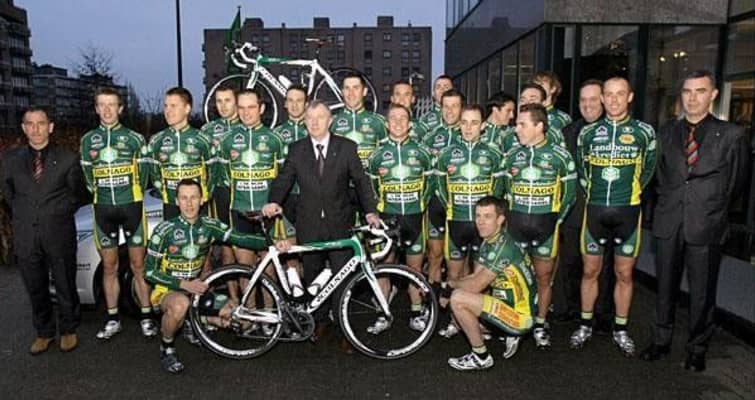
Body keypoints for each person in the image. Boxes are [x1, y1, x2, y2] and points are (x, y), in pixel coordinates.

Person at [641, 70, 749, 372]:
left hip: (707, 224)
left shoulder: (732, 135)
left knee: (701, 292)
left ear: (713, 95)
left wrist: (710, 208)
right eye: (687, 91)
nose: (692, 98)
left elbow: (737, 184)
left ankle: (697, 349)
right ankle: (660, 341)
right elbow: (659, 176)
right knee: (665, 287)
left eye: (700, 91)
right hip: (669, 221)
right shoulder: (666, 133)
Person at [263, 100, 381, 354]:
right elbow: (284, 179)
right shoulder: (297, 149)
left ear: (330, 121)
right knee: (314, 276)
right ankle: (319, 321)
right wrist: (273, 201)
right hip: (309, 224)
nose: (314, 122)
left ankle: (344, 328)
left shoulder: (346, 147)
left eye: (320, 117)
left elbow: (361, 182)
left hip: (340, 223)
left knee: (342, 278)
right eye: (310, 118)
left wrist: (370, 211)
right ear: (305, 122)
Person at [571, 76, 658, 357]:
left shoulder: (644, 132)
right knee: (589, 271)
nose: (614, 99)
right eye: (608, 94)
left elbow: (648, 171)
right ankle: (585, 324)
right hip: (595, 211)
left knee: (624, 273)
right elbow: (582, 171)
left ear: (630, 97)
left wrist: (629, 193)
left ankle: (620, 329)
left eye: (620, 94)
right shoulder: (587, 133)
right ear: (602, 98)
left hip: (628, 212)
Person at [144, 179, 267, 374]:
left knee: (234, 316)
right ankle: (167, 346)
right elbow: (149, 272)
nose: (189, 203)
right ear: (176, 201)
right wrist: (183, 284)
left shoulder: (209, 225)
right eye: (184, 198)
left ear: (202, 200)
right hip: (167, 291)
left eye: (194, 197)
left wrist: (272, 243)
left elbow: (241, 238)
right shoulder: (164, 230)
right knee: (180, 304)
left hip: (196, 290)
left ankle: (194, 320)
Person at [1, 106, 85, 354]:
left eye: (41, 123)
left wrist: (56, 212)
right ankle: (44, 332)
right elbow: (8, 193)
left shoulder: (68, 158)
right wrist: (26, 212)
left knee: (65, 283)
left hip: (59, 231)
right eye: (30, 124)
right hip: (26, 233)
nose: (35, 129)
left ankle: (68, 329)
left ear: (51, 127)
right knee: (35, 287)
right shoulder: (10, 159)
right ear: (23, 128)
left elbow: (77, 194)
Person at [80, 88, 157, 340]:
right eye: (101, 105)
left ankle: (147, 316)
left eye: (111, 104)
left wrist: (130, 193)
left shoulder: (135, 139)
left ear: (120, 108)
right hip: (103, 210)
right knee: (109, 266)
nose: (107, 110)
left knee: (138, 265)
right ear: (96, 108)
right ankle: (112, 318)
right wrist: (102, 194)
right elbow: (88, 179)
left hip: (131, 207)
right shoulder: (88, 140)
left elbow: (145, 175)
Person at [501, 103, 576, 349]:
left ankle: (540, 324)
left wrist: (557, 221)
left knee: (544, 279)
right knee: (514, 279)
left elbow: (569, 195)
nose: (516, 129)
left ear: (539, 126)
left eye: (522, 124)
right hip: (516, 228)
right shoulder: (511, 155)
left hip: (546, 229)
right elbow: (503, 192)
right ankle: (514, 323)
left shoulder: (560, 155)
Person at [435, 104, 505, 337]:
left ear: (483, 126)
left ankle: (482, 322)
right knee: (454, 276)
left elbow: (498, 192)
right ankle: (456, 321)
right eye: (464, 122)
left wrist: (488, 220)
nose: (468, 127)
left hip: (483, 228)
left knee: (482, 279)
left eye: (474, 123)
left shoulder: (494, 154)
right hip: (456, 223)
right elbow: (440, 189)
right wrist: (452, 207)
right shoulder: (446, 154)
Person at [444, 196, 537, 371]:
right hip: (507, 306)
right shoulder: (490, 241)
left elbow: (475, 286)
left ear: (500, 220)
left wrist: (449, 286)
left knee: (457, 299)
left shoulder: (503, 248)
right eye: (478, 216)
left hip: (522, 317)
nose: (480, 222)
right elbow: (475, 277)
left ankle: (481, 357)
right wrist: (448, 286)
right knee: (460, 317)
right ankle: (505, 332)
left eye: (487, 216)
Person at [366, 103, 434, 334]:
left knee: (414, 269)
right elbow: (372, 189)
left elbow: (430, 185)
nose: (397, 123)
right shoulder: (376, 156)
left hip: (414, 219)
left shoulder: (423, 152)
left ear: (410, 124)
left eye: (402, 118)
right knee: (383, 268)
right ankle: (383, 313)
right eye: (393, 118)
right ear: (386, 124)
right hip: (387, 220)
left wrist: (420, 205)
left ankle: (416, 312)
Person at [553, 79, 615, 330]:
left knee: (604, 266)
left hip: (604, 211)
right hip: (573, 210)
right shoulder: (568, 132)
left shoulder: (614, 132)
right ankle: (571, 309)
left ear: (603, 101)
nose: (587, 105)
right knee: (570, 262)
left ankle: (601, 315)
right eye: (583, 100)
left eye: (593, 99)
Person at [146, 87, 215, 219]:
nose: (168, 111)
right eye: (166, 106)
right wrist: (164, 194)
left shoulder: (203, 139)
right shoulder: (156, 140)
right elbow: (153, 172)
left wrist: (205, 195)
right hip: (170, 204)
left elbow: (213, 171)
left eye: (173, 106)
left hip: (198, 205)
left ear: (187, 109)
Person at [422, 89, 464, 294]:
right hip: (435, 203)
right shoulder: (430, 137)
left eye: (455, 106)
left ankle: (458, 304)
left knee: (461, 261)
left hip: (461, 205)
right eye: (446, 106)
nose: (450, 111)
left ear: (462, 108)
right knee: (434, 255)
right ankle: (432, 302)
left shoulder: (468, 136)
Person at [200, 84, 242, 271]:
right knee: (223, 249)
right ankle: (229, 290)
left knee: (243, 249)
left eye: (227, 100)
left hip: (241, 194)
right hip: (215, 195)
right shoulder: (207, 130)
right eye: (219, 101)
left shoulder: (245, 127)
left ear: (236, 101)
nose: (223, 106)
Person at [330, 72, 387, 170]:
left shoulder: (379, 121)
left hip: (369, 178)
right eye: (347, 88)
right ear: (342, 92)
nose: (351, 93)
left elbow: (388, 154)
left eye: (355, 88)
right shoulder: (331, 121)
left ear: (364, 91)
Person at [273, 84, 309, 226]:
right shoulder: (275, 135)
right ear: (285, 104)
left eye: (299, 101)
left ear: (306, 104)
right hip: (285, 198)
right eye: (290, 100)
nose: (294, 105)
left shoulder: (317, 130)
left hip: (311, 196)